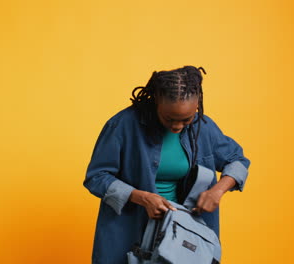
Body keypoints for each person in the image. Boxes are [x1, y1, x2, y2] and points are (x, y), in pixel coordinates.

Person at [83, 66, 251, 264]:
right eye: (169, 118)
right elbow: (97, 176)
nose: (177, 126)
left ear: (197, 105)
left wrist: (217, 191)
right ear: (156, 101)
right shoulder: (123, 124)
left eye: (186, 119)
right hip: (130, 230)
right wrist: (142, 198)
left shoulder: (203, 128)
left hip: (183, 239)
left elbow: (237, 160)